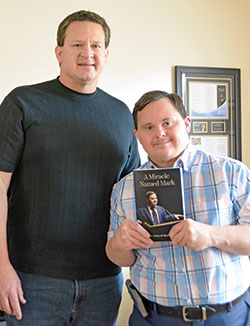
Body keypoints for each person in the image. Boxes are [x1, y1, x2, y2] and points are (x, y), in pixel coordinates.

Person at [0, 10, 140, 326]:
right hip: (32, 280)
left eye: (95, 45)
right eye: (77, 44)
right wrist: (1, 267)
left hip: (104, 281)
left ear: (106, 54)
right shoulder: (23, 103)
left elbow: (132, 197)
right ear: (59, 52)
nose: (86, 53)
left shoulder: (121, 115)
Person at [106, 90, 250, 325]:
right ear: (138, 136)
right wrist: (119, 244)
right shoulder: (124, 189)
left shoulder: (231, 173)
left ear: (186, 124)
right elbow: (119, 257)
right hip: (155, 318)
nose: (159, 133)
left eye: (167, 123)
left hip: (228, 316)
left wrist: (212, 235)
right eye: (148, 127)